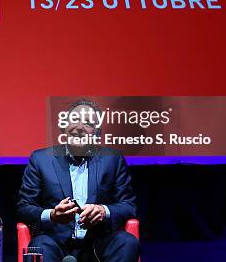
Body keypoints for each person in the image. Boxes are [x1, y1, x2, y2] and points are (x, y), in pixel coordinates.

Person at [17, 100, 139, 262]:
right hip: (55, 242)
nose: (80, 127)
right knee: (40, 246)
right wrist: (52, 215)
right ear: (63, 127)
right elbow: (23, 208)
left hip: (100, 242)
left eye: (88, 123)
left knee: (127, 242)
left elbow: (129, 206)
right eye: (74, 119)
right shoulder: (40, 159)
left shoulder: (113, 159)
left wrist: (104, 211)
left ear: (97, 133)